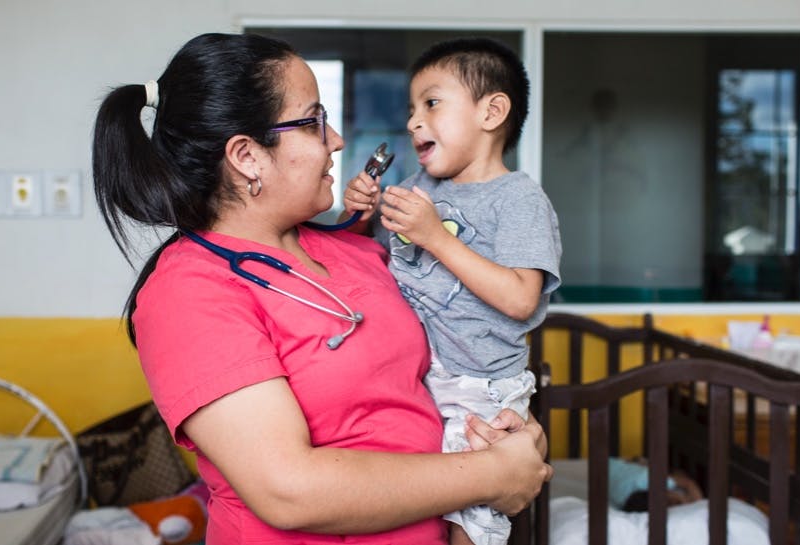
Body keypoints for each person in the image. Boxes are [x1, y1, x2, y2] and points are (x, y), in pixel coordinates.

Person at [91, 33, 551, 545]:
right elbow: (289, 491)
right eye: (313, 122)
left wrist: (510, 434)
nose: (335, 139)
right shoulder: (189, 292)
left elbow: (453, 356)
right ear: (247, 156)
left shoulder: (355, 248)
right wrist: (498, 475)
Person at [343, 38, 562, 545]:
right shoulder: (422, 187)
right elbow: (365, 259)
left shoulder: (519, 199)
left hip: (477, 388)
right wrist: (356, 216)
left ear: (492, 111)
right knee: (413, 513)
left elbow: (520, 299)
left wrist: (436, 236)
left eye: (432, 103)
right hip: (418, 379)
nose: (415, 121)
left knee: (471, 522)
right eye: (412, 110)